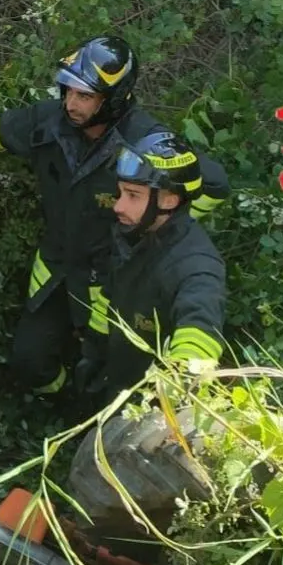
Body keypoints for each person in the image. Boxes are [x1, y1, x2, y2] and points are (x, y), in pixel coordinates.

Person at [0, 36, 229, 397]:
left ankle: (84, 403)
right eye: (68, 91)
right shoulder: (49, 122)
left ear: (112, 99)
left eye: (84, 96)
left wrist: (157, 230)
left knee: (103, 366)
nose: (71, 103)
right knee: (29, 360)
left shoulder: (148, 143)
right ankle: (60, 397)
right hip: (56, 265)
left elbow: (213, 185)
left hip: (110, 279)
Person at [75, 129, 227, 408]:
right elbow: (108, 302)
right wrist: (92, 356)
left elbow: (200, 333)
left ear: (168, 200)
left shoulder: (196, 265)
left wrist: (171, 393)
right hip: (115, 390)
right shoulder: (135, 235)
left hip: (152, 420)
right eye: (120, 193)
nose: (119, 206)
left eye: (133, 195)